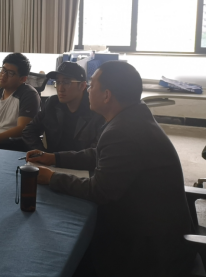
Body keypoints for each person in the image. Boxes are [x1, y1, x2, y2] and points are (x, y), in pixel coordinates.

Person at [27, 61, 196, 277]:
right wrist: (54, 158)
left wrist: (52, 178)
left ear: (106, 95)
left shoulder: (122, 131)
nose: (88, 90)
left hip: (148, 247)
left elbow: (99, 191)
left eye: (92, 85)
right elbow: (99, 154)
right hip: (149, 224)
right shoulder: (132, 117)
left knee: (66, 243)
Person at [2, 62, 104, 152]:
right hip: (52, 164)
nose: (60, 88)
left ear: (82, 86)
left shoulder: (96, 109)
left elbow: (94, 153)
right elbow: (29, 131)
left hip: (81, 166)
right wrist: (42, 154)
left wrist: (54, 159)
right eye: (58, 82)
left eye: (67, 82)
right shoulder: (53, 103)